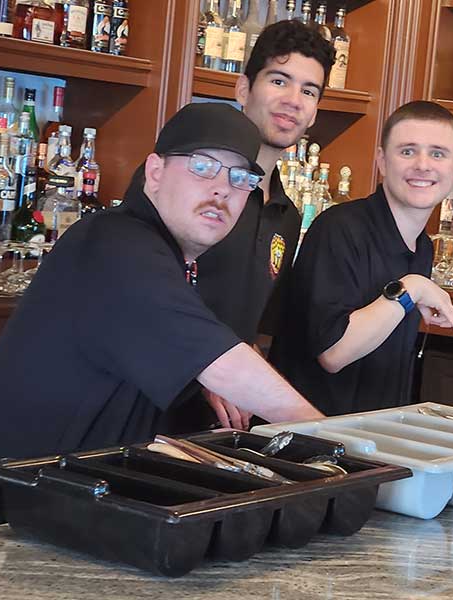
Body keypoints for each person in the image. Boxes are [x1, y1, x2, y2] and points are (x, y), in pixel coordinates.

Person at [0, 103, 322, 526]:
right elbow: (221, 361)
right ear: (154, 172)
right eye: (204, 167)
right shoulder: (115, 242)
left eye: (240, 177)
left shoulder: (165, 256)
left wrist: (204, 378)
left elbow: (193, 352)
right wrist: (336, 439)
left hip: (60, 505)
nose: (223, 189)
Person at [270, 101, 453, 416]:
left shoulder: (422, 246)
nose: (423, 165)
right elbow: (333, 353)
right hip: (309, 441)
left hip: (372, 440)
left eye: (438, 153)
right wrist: (411, 288)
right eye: (408, 151)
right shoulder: (341, 229)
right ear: (382, 161)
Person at [192, 19, 335, 430]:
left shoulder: (286, 215)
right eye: (279, 81)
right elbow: (149, 294)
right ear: (243, 89)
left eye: (308, 91)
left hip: (221, 425)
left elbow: (249, 322)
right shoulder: (198, 185)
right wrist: (212, 365)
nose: (294, 100)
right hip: (148, 410)